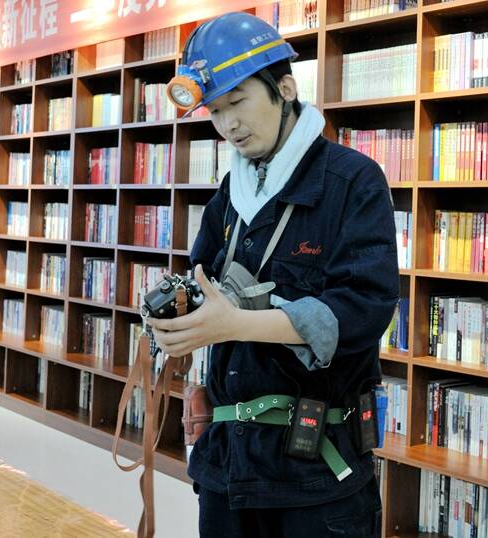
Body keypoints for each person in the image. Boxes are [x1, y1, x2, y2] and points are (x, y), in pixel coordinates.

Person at [147, 11, 400, 538]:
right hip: (226, 467)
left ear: (285, 89)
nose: (228, 125)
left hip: (317, 473)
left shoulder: (353, 180)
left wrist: (236, 325)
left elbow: (364, 308)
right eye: (215, 111)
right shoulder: (230, 193)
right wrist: (177, 321)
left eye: (238, 102)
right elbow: (203, 283)